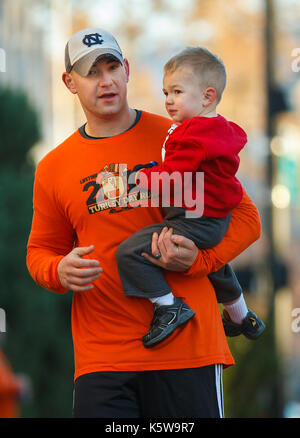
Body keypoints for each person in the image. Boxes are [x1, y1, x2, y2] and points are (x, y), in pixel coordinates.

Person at [26, 27, 262, 418]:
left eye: (112, 67)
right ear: (69, 82)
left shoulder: (180, 136)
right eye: (91, 72)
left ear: (127, 70)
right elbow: (39, 253)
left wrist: (199, 260)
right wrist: (58, 269)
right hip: (103, 361)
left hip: (188, 353)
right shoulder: (53, 167)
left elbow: (246, 219)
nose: (106, 81)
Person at [116, 46, 265, 348]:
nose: (168, 100)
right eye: (166, 92)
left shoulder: (192, 136)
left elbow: (173, 177)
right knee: (217, 265)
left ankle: (168, 307)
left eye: (177, 92)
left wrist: (138, 178)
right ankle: (241, 316)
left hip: (194, 219)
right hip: (214, 220)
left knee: (130, 252)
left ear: (208, 96)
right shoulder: (219, 130)